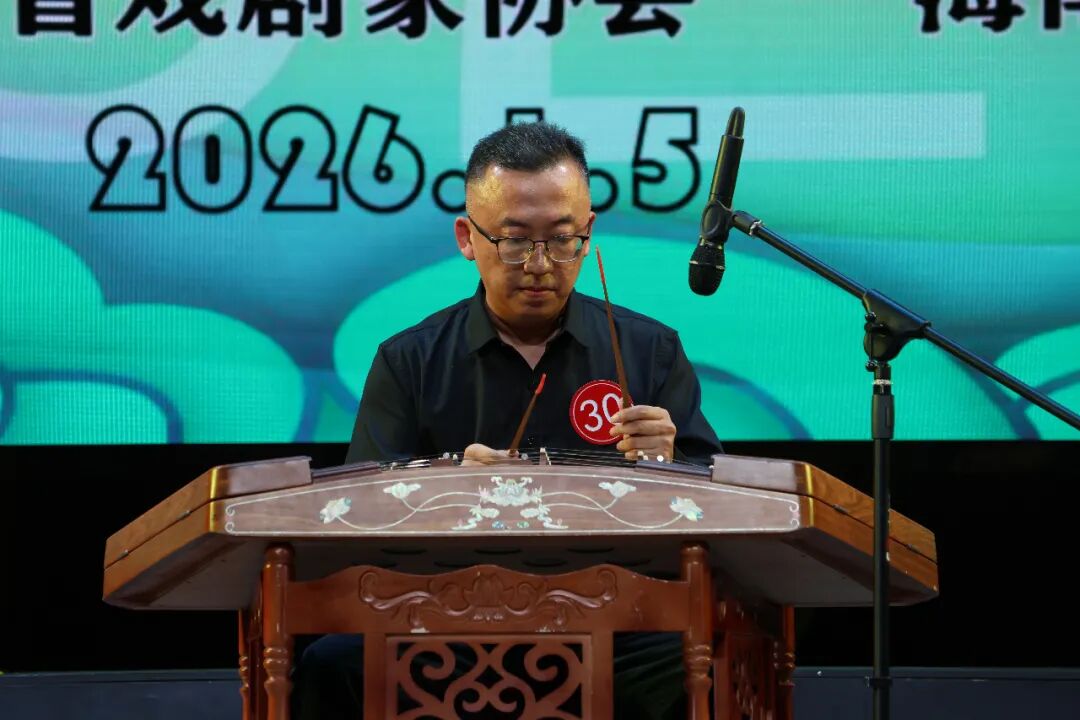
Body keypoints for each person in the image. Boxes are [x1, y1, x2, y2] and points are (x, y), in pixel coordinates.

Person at [292, 121, 724, 720]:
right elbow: (358, 520)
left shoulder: (650, 351)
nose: (540, 264)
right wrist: (446, 487)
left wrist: (671, 465)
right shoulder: (409, 361)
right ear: (467, 238)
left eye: (562, 239)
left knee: (706, 658)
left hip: (615, 625)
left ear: (588, 234)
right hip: (448, 626)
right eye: (515, 240)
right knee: (333, 663)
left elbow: (719, 509)